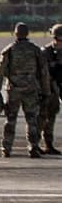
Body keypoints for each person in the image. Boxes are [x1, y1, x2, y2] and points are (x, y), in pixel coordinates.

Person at [0, 21, 51, 158]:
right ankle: (33, 147)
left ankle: (6, 148)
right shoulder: (35, 50)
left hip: (14, 89)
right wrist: (46, 91)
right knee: (32, 120)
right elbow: (44, 72)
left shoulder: (9, 50)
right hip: (31, 89)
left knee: (10, 120)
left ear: (15, 33)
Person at [41, 24, 62, 155]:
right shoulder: (45, 52)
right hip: (48, 88)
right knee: (42, 116)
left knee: (52, 116)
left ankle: (48, 144)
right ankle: (39, 143)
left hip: (58, 88)